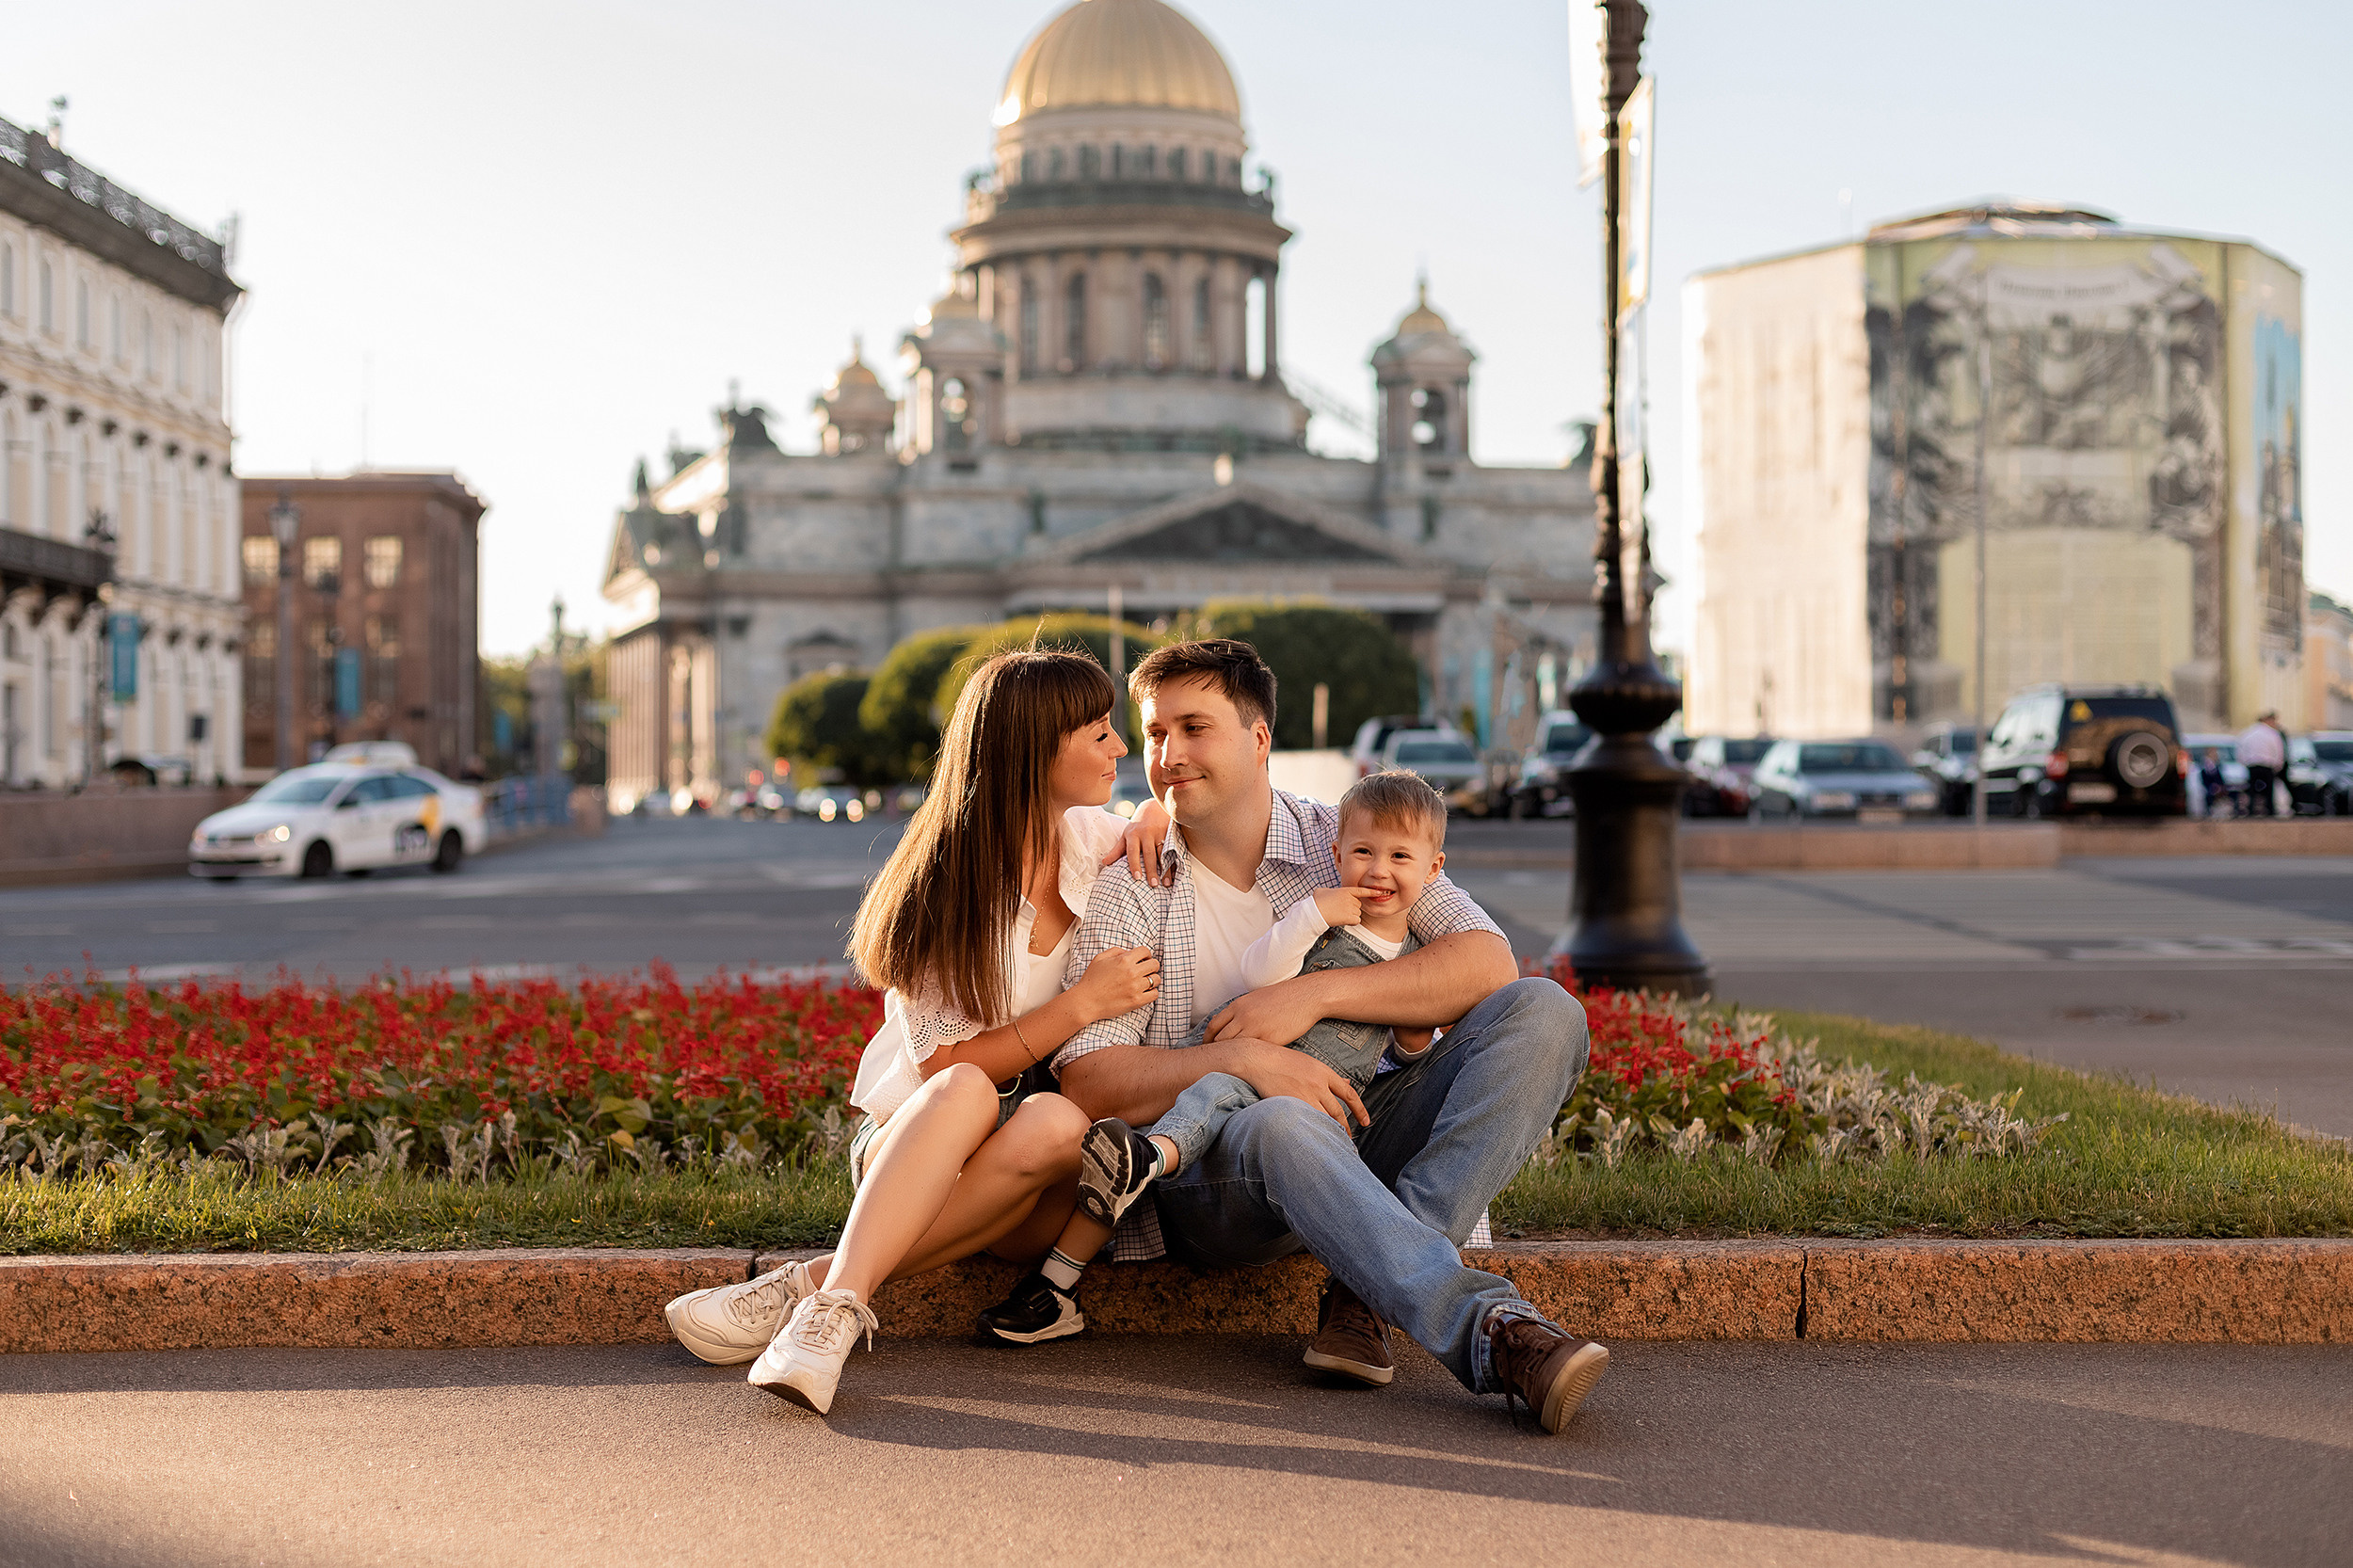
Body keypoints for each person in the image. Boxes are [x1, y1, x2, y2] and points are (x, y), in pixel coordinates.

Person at [1053, 639, 1608, 1434]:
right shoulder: (1134, 882)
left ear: (1258, 739)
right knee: (1281, 1117)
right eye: (1154, 733)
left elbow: (1485, 961)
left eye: (1194, 728)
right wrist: (1246, 1057)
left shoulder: (1347, 838)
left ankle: (1366, 1287)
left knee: (1545, 1010)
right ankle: (1493, 1334)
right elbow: (1089, 1081)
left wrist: (1314, 996)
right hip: (1220, 1174)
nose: (1168, 756)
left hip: (1365, 1122)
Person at [660, 648, 1166, 1413]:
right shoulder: (944, 880)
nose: (1118, 749)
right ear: (1035, 746)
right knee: (966, 1086)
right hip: (922, 1146)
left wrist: (1156, 813)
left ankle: (814, 1285)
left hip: (1032, 1182)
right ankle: (829, 1321)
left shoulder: (1094, 841)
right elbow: (941, 1070)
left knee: (1063, 1119)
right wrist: (1077, 1007)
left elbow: (1160, 816)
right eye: (1098, 732)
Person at [974, 768, 1449, 1346]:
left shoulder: (1422, 951)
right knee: (1213, 1092)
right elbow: (1261, 974)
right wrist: (1310, 918)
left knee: (1140, 1154)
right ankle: (1145, 1167)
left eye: (1400, 857)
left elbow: (1399, 1055)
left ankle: (1065, 1275)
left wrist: (1413, 1034)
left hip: (1318, 1102)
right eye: (1363, 853)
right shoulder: (1325, 917)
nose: (1378, 871)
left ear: (1433, 869)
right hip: (1237, 1066)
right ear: (1337, 854)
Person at [2239, 711, 2285, 818]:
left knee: (2252, 790)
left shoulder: (2248, 733)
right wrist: (2278, 765)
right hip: (2267, 765)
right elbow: (2278, 750)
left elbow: (2241, 749)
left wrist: (2244, 763)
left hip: (2252, 765)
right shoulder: (2272, 733)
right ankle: (2270, 811)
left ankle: (2251, 810)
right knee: (2269, 790)